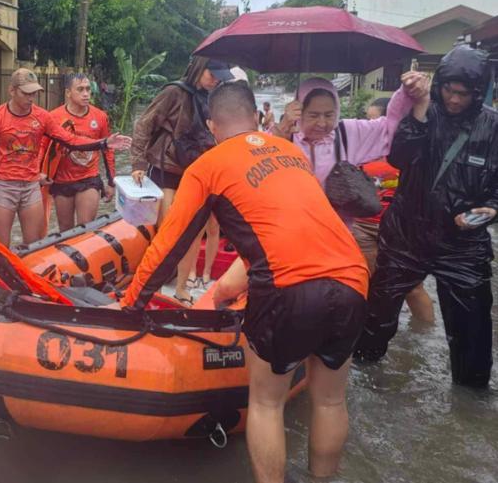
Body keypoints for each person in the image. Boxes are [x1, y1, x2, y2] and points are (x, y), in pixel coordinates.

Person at [120, 82, 369, 483]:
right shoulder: (290, 152)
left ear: (211, 126)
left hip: (290, 289)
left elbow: (169, 243)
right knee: (330, 401)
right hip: (353, 278)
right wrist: (226, 290)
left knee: (267, 405)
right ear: (256, 117)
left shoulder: (209, 164)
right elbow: (281, 228)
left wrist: (131, 304)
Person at [354, 46, 498, 388]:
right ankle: (362, 381)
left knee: (473, 335)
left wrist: (491, 209)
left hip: (463, 244)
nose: (454, 99)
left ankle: (470, 398)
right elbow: (399, 157)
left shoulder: (492, 128)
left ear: (477, 93)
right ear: (440, 85)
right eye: (449, 89)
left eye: (463, 94)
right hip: (407, 235)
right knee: (375, 320)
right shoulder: (425, 112)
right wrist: (418, 110)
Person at [0, 68, 131, 247]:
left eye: (35, 93)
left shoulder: (42, 117)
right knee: (0, 248)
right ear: (12, 91)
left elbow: (70, 140)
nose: (31, 98)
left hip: (31, 187)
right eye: (26, 93)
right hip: (4, 186)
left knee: (35, 246)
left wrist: (103, 143)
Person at [129, 56, 230, 305]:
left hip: (196, 171)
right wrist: (138, 164)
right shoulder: (174, 92)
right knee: (170, 232)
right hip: (167, 171)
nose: (215, 80)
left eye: (219, 76)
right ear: (198, 69)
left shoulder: (212, 98)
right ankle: (154, 283)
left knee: (194, 232)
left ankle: (182, 286)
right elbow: (144, 124)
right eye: (211, 74)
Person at [269, 73, 429, 213]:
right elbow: (258, 166)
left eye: (329, 115)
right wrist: (281, 130)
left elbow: (390, 127)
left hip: (338, 232)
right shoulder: (285, 134)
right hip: (294, 228)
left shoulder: (348, 132)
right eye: (313, 115)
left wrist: (405, 94)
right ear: (299, 112)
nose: (322, 123)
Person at [350, 97, 434, 323]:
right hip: (363, 226)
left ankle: (424, 336)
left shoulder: (410, 150)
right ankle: (367, 336)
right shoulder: (359, 148)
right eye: (367, 120)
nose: (370, 126)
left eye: (375, 120)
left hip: (401, 228)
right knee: (365, 281)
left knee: (412, 288)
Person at [40, 73, 116, 231]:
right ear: (68, 93)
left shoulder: (100, 117)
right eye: (80, 89)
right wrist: (40, 173)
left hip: (89, 178)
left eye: (88, 89)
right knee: (65, 229)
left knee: (85, 229)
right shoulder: (53, 117)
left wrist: (111, 182)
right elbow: (42, 146)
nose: (86, 93)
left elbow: (108, 150)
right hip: (61, 180)